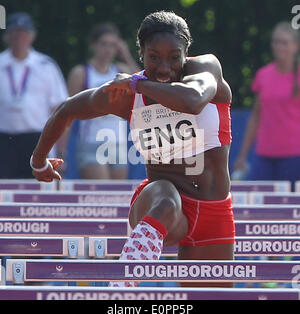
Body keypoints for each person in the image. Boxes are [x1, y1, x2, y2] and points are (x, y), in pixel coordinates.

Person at [30, 11, 234, 288]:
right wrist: (39, 161)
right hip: (158, 204)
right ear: (141, 53)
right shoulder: (126, 94)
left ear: (187, 52)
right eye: (154, 57)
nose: (164, 68)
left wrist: (138, 83)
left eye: (174, 57)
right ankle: (123, 284)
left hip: (214, 211)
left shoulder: (205, 69)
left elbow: (193, 100)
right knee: (166, 198)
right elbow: (67, 109)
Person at [67, 23, 140, 179]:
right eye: (104, 44)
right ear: (94, 45)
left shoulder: (121, 71)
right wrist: (61, 149)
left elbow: (143, 84)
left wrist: (126, 55)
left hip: (117, 143)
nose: (108, 50)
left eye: (113, 45)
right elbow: (66, 112)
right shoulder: (81, 73)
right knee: (100, 193)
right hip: (91, 141)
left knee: (118, 196)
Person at [0, 12, 68, 179]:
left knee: (38, 189)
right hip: (3, 140)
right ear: (7, 36)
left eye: (23, 33)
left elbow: (60, 109)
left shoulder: (46, 65)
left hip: (37, 139)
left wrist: (61, 151)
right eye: (15, 33)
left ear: (32, 36)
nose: (19, 38)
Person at [234, 22, 300, 189]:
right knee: (260, 205)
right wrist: (242, 155)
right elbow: (256, 116)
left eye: (284, 42)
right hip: (264, 154)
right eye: (276, 41)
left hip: (295, 155)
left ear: (295, 46)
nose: (279, 46)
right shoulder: (263, 75)